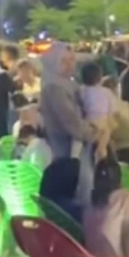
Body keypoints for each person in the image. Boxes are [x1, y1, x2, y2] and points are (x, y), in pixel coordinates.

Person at [40, 42, 98, 203]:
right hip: (65, 151)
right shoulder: (55, 87)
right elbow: (70, 121)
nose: (69, 65)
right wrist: (94, 132)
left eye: (71, 60)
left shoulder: (64, 83)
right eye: (64, 61)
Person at [78, 62, 114, 161]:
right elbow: (110, 114)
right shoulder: (107, 92)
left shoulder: (80, 91)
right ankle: (101, 152)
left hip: (87, 125)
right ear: (100, 77)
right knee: (106, 132)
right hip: (102, 126)